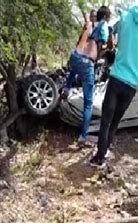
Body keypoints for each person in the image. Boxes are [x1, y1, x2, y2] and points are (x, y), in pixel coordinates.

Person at [90, 5, 138, 168]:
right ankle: (107, 148)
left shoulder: (124, 16)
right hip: (132, 85)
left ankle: (99, 158)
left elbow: (109, 33)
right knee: (116, 121)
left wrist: (113, 47)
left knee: (105, 121)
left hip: (117, 78)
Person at [62, 6, 111, 146]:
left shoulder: (88, 25)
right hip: (86, 62)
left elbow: (81, 43)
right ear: (106, 17)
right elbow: (103, 46)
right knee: (88, 103)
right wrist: (107, 47)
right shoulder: (104, 27)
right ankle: (83, 137)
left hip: (75, 56)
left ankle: (66, 88)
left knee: (75, 68)